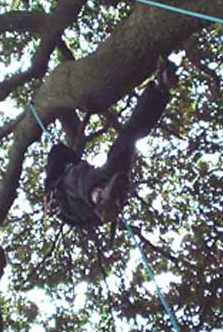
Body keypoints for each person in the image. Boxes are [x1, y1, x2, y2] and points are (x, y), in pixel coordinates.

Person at [44, 57, 176, 227]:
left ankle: (160, 89)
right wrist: (54, 183)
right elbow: (58, 152)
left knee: (126, 141)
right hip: (82, 203)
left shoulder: (87, 174)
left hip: (102, 184)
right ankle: (100, 197)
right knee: (77, 175)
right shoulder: (59, 185)